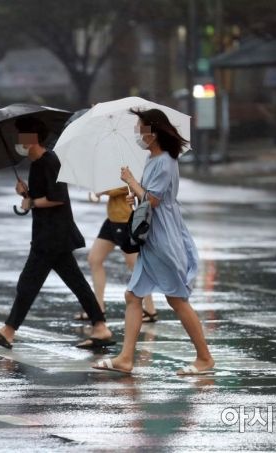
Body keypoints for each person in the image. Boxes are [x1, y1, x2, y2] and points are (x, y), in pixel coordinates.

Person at [92, 108, 214, 375]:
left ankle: (204, 358)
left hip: (163, 239)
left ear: (155, 131)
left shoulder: (166, 161)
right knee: (133, 296)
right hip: (152, 238)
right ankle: (126, 358)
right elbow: (147, 198)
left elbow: (155, 200)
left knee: (177, 299)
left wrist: (132, 181)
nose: (138, 133)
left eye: (142, 128)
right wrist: (133, 197)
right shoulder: (153, 159)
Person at [0, 117, 114, 350]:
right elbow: (43, 195)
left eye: (21, 137)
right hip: (50, 234)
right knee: (76, 282)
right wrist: (26, 193)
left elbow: (56, 198)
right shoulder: (38, 164)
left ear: (32, 139)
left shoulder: (49, 161)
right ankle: (100, 327)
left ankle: (8, 331)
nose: (18, 142)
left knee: (28, 283)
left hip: (52, 236)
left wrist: (30, 202)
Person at [75, 188, 157, 322]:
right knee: (94, 259)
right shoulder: (110, 173)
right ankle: (98, 309)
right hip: (111, 221)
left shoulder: (127, 170)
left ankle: (150, 309)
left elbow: (126, 187)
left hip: (126, 222)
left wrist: (102, 191)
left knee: (136, 266)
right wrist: (98, 192)